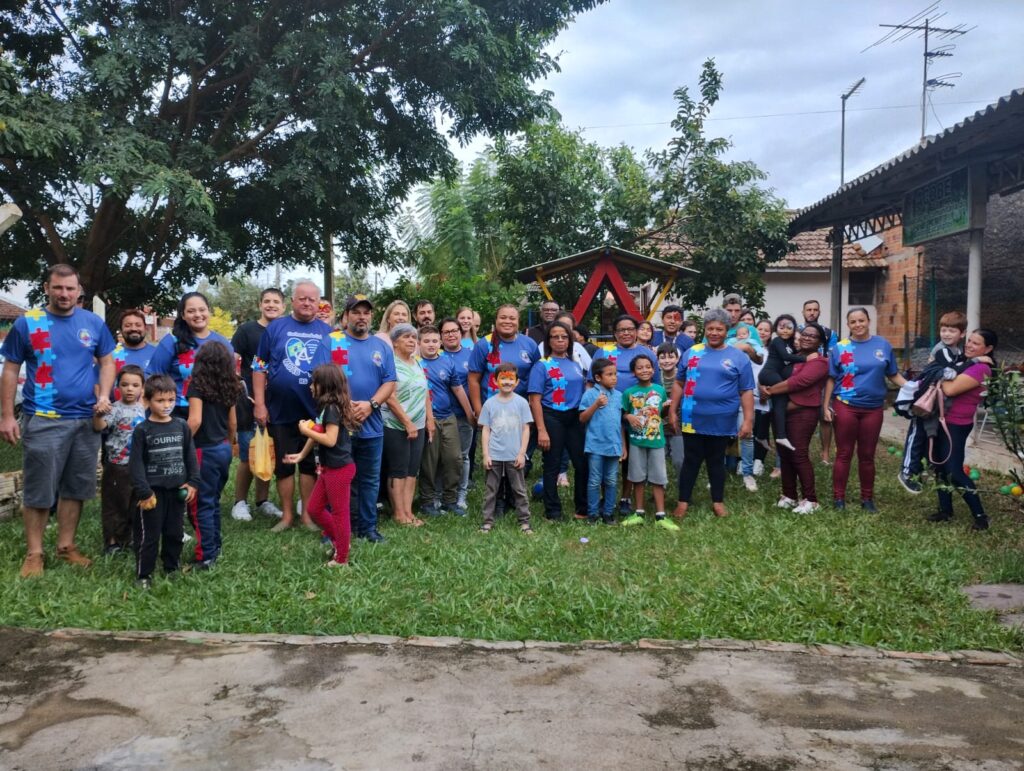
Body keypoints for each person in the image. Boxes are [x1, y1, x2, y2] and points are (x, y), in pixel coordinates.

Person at [0, 264, 116, 578]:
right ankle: (34, 553)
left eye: (70, 288)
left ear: (79, 291)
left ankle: (66, 547)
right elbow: (11, 369)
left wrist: (104, 394)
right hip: (44, 418)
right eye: (58, 288)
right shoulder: (28, 323)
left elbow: (107, 361)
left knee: (76, 487)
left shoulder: (92, 323)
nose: (64, 294)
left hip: (86, 420)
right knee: (40, 489)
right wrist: (7, 415)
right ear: (47, 288)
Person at [252, 281, 337, 532]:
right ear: (293, 300)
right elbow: (259, 366)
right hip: (280, 410)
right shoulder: (276, 328)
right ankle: (287, 516)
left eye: (313, 299)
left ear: (319, 302)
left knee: (310, 465)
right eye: (302, 298)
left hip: (315, 411)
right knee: (285, 465)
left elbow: (336, 371)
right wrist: (259, 403)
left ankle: (308, 516)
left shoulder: (327, 332)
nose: (307, 303)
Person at [670, 308, 755, 519]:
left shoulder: (738, 357)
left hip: (721, 419)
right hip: (692, 416)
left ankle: (717, 502)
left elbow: (746, 391)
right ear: (704, 330)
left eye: (719, 329)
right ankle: (683, 502)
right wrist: (672, 410)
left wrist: (748, 421)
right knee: (691, 460)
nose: (714, 332)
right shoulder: (693, 352)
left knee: (716, 461)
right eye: (710, 329)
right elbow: (679, 383)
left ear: (727, 331)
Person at [824, 307, 906, 511]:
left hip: (873, 409)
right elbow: (831, 379)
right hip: (846, 406)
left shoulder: (883, 345)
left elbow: (893, 374)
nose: (858, 325)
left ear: (869, 321)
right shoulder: (840, 348)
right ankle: (839, 499)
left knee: (867, 455)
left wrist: (914, 388)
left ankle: (867, 499)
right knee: (844, 453)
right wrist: (826, 406)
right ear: (848, 325)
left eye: (861, 320)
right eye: (853, 322)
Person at [282, 365, 360, 566]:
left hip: (339, 469)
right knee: (314, 508)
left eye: (314, 383)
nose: (310, 386)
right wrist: (301, 455)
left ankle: (341, 557)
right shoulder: (325, 408)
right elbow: (319, 432)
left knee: (339, 514)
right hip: (328, 468)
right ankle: (341, 542)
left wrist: (305, 431)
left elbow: (329, 440)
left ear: (324, 385)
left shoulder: (332, 409)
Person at [335, 294, 397, 542]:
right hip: (339, 426)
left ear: (371, 316)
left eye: (366, 312)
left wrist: (370, 405)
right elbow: (319, 380)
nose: (361, 317)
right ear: (346, 315)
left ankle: (368, 528)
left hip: (372, 425)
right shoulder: (333, 341)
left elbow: (389, 381)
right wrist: (344, 406)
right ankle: (341, 528)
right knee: (341, 479)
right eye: (356, 312)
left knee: (370, 480)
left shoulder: (381, 346)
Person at [128, 374, 199, 589]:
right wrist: (144, 491)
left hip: (177, 491)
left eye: (171, 400)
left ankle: (171, 567)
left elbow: (190, 455)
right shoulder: (142, 430)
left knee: (174, 533)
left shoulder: (181, 426)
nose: (166, 405)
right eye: (160, 400)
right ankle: (144, 575)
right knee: (149, 536)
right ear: (147, 401)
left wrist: (193, 482)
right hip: (152, 493)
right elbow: (136, 464)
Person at [927, 329, 997, 530]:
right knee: (939, 467)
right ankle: (945, 511)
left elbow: (949, 388)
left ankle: (981, 516)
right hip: (942, 419)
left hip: (956, 424)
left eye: (976, 343)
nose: (969, 345)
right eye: (969, 341)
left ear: (988, 348)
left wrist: (943, 375)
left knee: (954, 471)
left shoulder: (981, 368)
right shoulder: (963, 362)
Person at [761, 323, 830, 514]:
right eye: (805, 334)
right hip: (782, 413)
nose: (807, 338)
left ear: (820, 342)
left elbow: (798, 383)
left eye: (813, 336)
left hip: (802, 413)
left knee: (799, 454)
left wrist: (769, 391)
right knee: (784, 455)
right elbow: (772, 373)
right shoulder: (793, 359)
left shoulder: (820, 362)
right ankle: (789, 496)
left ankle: (811, 500)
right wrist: (763, 386)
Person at [230, 287, 285, 522]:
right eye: (267, 301)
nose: (271, 305)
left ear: (283, 307)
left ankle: (263, 500)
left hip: (278, 401)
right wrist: (241, 387)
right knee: (247, 453)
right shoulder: (247, 330)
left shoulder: (284, 330)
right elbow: (233, 362)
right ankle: (239, 502)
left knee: (268, 451)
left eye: (276, 302)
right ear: (260, 304)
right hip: (250, 400)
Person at [898, 310, 967, 494]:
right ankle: (906, 471)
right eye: (944, 330)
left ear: (962, 334)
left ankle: (919, 471)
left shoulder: (957, 351)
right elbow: (952, 371)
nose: (946, 334)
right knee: (917, 434)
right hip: (924, 399)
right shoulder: (942, 350)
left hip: (937, 403)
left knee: (928, 435)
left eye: (952, 331)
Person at [186, 341, 239, 569]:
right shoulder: (230, 385)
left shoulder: (197, 385)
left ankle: (205, 555)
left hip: (203, 451)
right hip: (222, 448)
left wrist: (178, 441)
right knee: (213, 501)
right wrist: (230, 442)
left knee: (201, 504)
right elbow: (233, 422)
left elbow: (195, 420)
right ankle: (215, 546)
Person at [529, 321, 588, 521]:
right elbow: (534, 399)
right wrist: (541, 430)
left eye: (564, 336)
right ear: (548, 341)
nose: (560, 340)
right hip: (551, 416)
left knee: (581, 464)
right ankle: (552, 512)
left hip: (574, 417)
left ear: (570, 340)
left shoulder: (574, 363)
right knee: (552, 465)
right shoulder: (542, 365)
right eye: (555, 336)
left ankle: (582, 508)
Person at [147, 292, 232, 418]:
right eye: (191, 311)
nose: (198, 315)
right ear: (183, 315)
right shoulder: (171, 342)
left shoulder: (222, 342)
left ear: (209, 311)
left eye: (202, 310)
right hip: (178, 411)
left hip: (214, 413)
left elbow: (231, 379)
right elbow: (152, 377)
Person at [418, 324, 473, 516]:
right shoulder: (415, 363)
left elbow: (458, 389)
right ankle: (427, 501)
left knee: (454, 458)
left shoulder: (447, 362)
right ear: (419, 343)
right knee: (430, 461)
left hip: (448, 417)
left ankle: (449, 500)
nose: (431, 345)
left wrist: (469, 414)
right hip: (425, 419)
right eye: (426, 341)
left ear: (440, 342)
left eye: (434, 341)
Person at [382, 324, 433, 526]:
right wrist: (407, 422)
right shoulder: (390, 364)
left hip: (418, 423)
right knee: (398, 469)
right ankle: (398, 513)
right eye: (406, 337)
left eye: (414, 337)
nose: (412, 340)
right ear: (395, 342)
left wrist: (429, 419)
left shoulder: (417, 362)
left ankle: (408, 511)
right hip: (396, 424)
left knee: (412, 470)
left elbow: (425, 393)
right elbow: (390, 397)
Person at [93, 365, 146, 555]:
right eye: (124, 384)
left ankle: (128, 537)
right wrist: (98, 414)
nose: (130, 389)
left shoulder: (144, 410)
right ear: (118, 387)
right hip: (117, 466)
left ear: (142, 388)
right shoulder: (114, 408)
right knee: (114, 504)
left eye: (135, 385)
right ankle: (112, 542)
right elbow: (100, 426)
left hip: (138, 466)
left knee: (134, 504)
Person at [621, 354, 676, 530]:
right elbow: (623, 415)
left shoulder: (660, 390)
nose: (644, 370)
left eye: (647, 367)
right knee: (637, 477)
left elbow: (660, 415)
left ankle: (661, 515)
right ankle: (639, 512)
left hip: (657, 441)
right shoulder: (628, 393)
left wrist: (667, 410)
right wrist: (628, 416)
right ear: (633, 372)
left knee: (658, 478)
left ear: (653, 369)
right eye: (640, 367)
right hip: (636, 441)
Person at [478, 362, 533, 534]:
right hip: (494, 455)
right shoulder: (489, 403)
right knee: (491, 490)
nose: (507, 382)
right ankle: (487, 521)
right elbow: (486, 430)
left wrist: (522, 453)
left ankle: (524, 522)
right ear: (495, 381)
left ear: (517, 382)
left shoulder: (522, 403)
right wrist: (486, 454)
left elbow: (526, 429)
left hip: (514, 455)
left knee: (519, 490)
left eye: (511, 379)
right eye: (503, 379)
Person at [579, 359, 625, 525]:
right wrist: (596, 405)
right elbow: (582, 418)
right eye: (610, 374)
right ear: (598, 378)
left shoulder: (619, 396)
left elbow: (619, 423)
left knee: (611, 480)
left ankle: (608, 512)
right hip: (595, 445)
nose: (614, 378)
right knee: (594, 481)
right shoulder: (590, 394)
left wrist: (623, 446)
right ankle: (592, 514)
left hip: (613, 445)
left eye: (615, 374)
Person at [440, 317, 476, 512]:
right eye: (446, 332)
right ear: (441, 336)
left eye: (454, 330)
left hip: (464, 414)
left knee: (462, 456)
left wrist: (474, 411)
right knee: (440, 457)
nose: (451, 334)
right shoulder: (435, 355)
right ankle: (439, 494)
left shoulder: (472, 355)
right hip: (441, 415)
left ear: (461, 333)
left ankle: (461, 494)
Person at [758, 314, 806, 451]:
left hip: (774, 374)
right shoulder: (777, 341)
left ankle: (761, 435)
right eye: (781, 327)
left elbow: (792, 354)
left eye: (789, 328)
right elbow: (786, 357)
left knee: (770, 405)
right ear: (776, 329)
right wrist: (807, 359)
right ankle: (781, 435)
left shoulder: (789, 343)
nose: (785, 330)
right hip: (768, 374)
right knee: (782, 399)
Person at [800, 299, 838, 465]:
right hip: (801, 378)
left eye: (815, 309)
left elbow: (832, 357)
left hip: (823, 379)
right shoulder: (796, 331)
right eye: (808, 309)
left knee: (825, 416)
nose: (812, 312)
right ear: (803, 312)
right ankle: (802, 452)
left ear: (819, 312)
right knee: (801, 418)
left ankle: (825, 455)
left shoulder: (829, 333)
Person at [656, 342, 684, 475]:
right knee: (658, 460)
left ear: (677, 359)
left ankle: (683, 489)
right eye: (663, 357)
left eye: (671, 357)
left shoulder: (682, 376)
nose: (667, 361)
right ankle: (660, 489)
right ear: (658, 360)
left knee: (679, 460)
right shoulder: (655, 378)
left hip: (678, 424)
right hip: (659, 424)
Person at [112, 309, 155, 383]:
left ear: (146, 328)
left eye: (138, 325)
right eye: (128, 325)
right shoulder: (112, 354)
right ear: (121, 330)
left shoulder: (157, 354)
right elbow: (98, 384)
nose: (133, 329)